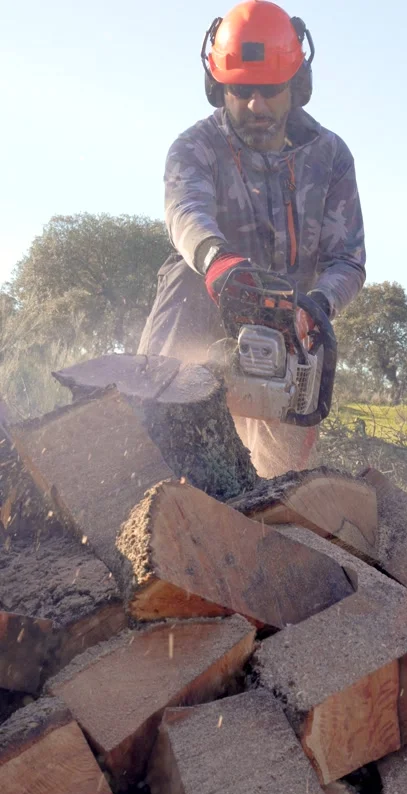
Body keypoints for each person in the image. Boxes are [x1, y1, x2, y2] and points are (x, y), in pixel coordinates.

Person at [138, 0, 366, 477]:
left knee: (282, 483)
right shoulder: (195, 147)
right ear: (218, 86)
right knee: (183, 278)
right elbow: (186, 209)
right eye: (240, 91)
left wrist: (317, 305)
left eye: (269, 91)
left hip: (288, 325)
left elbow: (348, 258)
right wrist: (220, 264)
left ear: (297, 86)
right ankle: (142, 448)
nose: (255, 106)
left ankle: (279, 503)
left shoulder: (330, 156)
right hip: (209, 300)